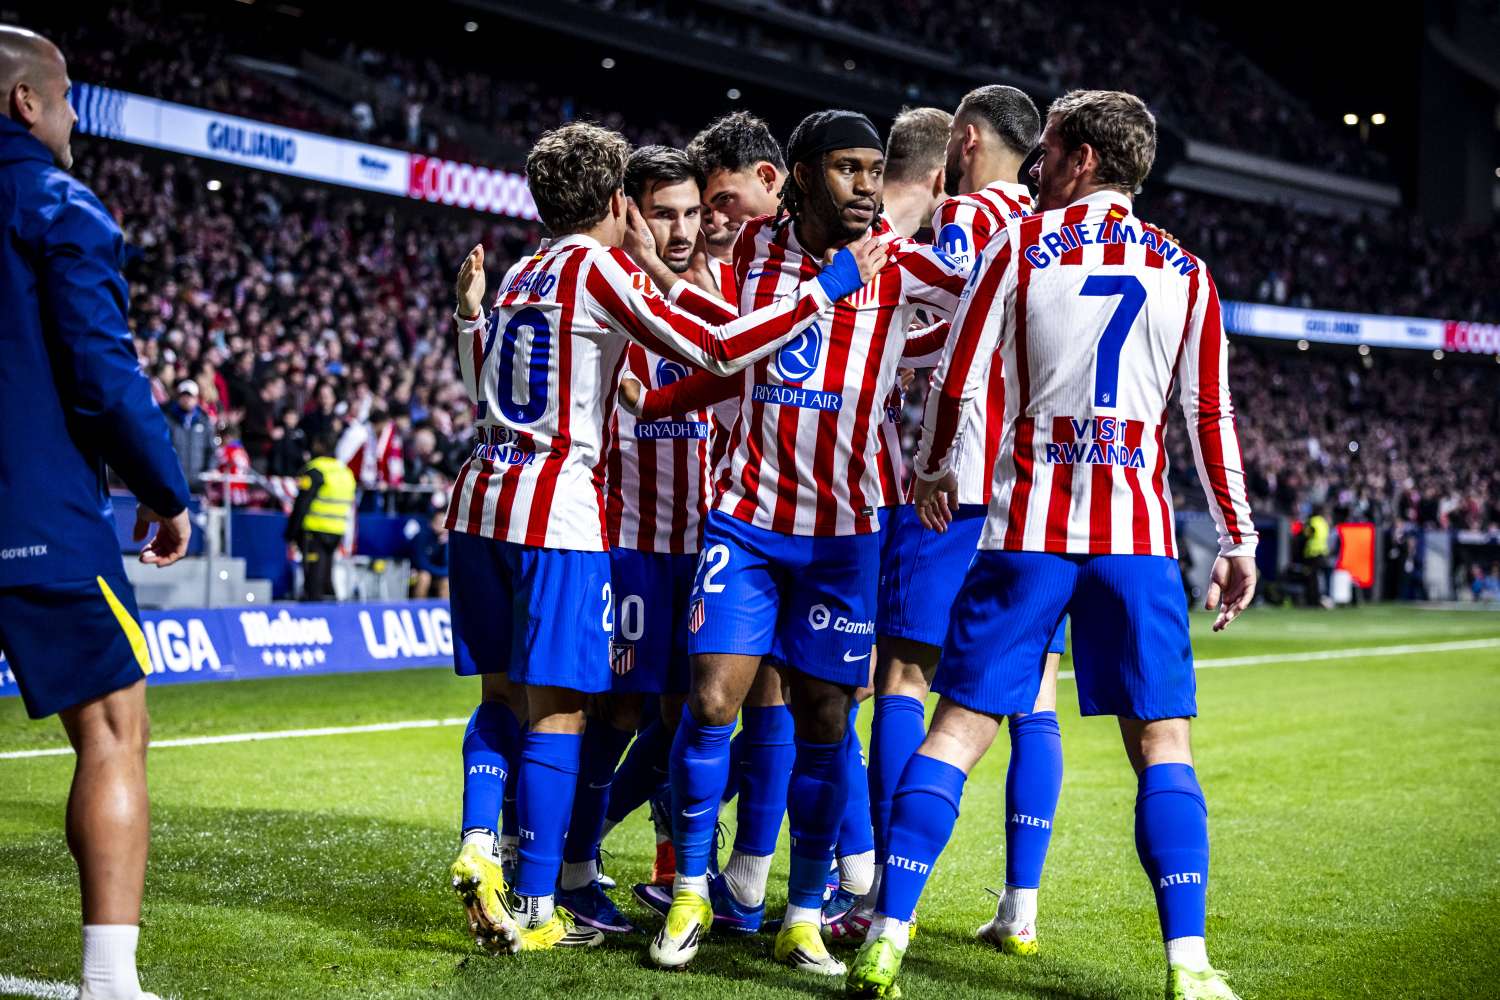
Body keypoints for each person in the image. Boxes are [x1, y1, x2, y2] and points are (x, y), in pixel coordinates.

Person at [848, 90, 1258, 1000]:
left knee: (957, 728)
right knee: (1163, 742)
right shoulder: (1188, 271)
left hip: (1028, 527)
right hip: (1138, 539)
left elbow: (959, 375)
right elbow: (1210, 416)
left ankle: (887, 934)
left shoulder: (1020, 248)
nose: (1034, 166)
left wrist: (935, 467)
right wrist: (1237, 537)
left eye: (1050, 151)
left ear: (1078, 159)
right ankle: (1188, 965)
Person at [443, 120, 886, 956]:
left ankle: (480, 839)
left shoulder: (520, 272)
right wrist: (825, 287)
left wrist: (470, 322)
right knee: (567, 713)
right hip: (561, 512)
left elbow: (486, 389)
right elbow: (717, 344)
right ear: (619, 202)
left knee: (502, 698)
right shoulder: (598, 268)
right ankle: (543, 901)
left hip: (480, 502)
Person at [641, 109, 967, 977]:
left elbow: (986, 307)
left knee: (827, 719)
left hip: (845, 535)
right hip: (745, 520)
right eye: (849, 170)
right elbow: (702, 332)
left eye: (874, 171)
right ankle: (690, 893)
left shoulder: (901, 265)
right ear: (801, 173)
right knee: (712, 702)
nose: (867, 187)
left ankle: (805, 911)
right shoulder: (746, 253)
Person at [0, 26, 192, 1000]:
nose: (74, 116)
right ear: (25, 102)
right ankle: (108, 979)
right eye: (67, 97)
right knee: (116, 729)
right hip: (35, 512)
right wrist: (165, 490)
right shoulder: (54, 201)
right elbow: (103, 377)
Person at [863, 84, 1070, 955]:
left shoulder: (974, 217)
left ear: (968, 139)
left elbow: (944, 332)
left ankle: (874, 883)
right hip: (1040, 497)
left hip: (956, 479)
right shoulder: (1058, 229)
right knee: (1032, 695)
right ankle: (1020, 905)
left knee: (902, 678)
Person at [556, 145, 718, 935]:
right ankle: (571, 862)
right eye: (664, 212)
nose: (681, 229)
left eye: (691, 213)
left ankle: (659, 860)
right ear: (628, 211)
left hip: (709, 542)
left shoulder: (709, 295)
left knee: (692, 714)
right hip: (630, 539)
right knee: (616, 711)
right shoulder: (609, 292)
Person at [284, 434, 355, 602]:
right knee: (326, 574)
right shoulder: (344, 471)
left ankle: (313, 612)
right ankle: (329, 609)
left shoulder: (315, 470)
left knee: (313, 577)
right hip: (337, 530)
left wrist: (291, 532)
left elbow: (302, 504)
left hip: (315, 530)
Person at [161, 378, 215, 491]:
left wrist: (208, 472)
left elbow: (211, 450)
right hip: (173, 481)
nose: (186, 399)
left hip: (198, 483)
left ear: (196, 398)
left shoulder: (204, 422)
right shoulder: (168, 420)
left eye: (190, 396)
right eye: (183, 395)